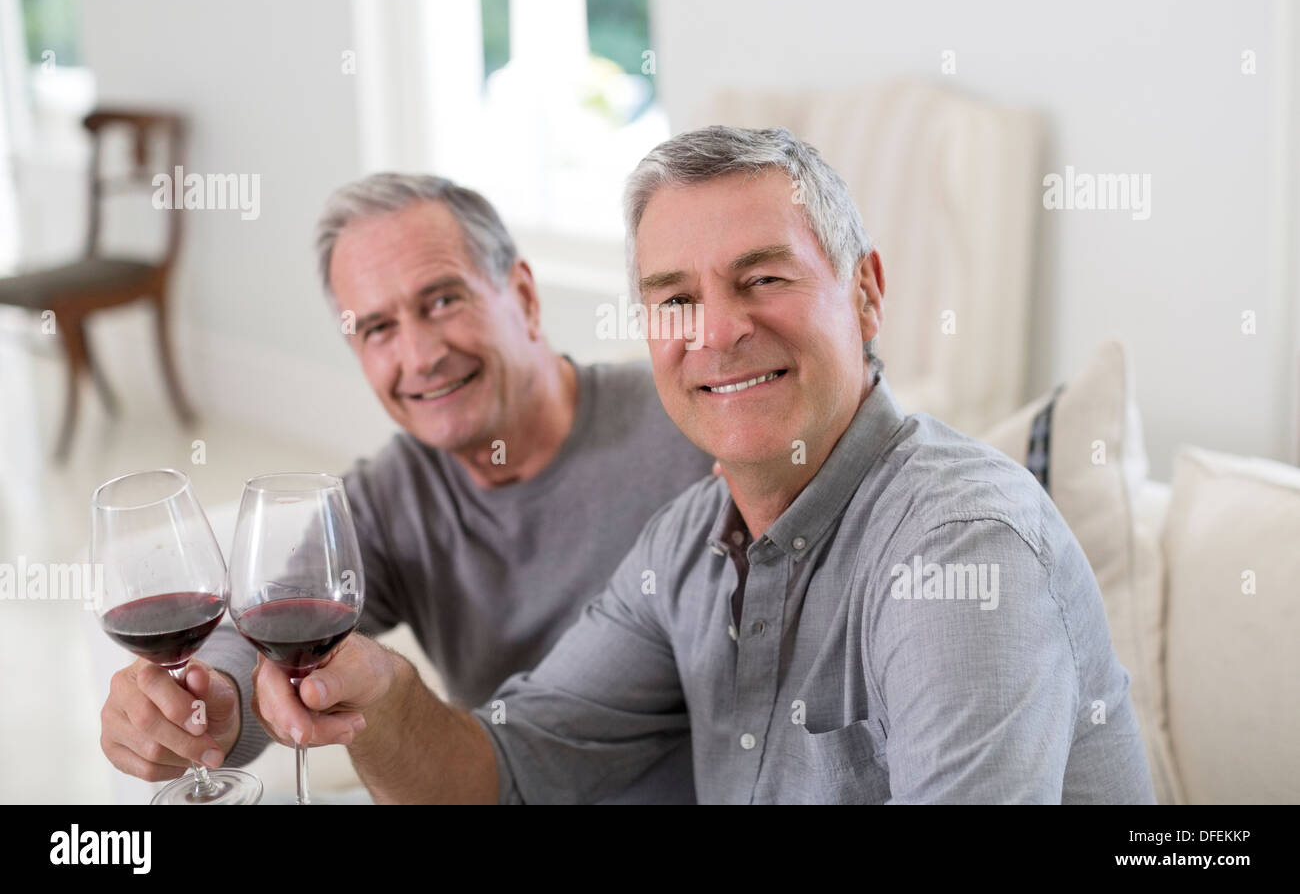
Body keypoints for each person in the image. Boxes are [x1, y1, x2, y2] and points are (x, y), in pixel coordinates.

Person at [250, 126, 1157, 804]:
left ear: (867, 293)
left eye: (763, 278)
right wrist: (384, 694)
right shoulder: (685, 546)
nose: (716, 331)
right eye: (675, 297)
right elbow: (506, 772)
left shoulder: (959, 552)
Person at [97, 174, 716, 803]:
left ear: (524, 297)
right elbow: (260, 629)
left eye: (443, 301)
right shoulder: (391, 496)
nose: (420, 356)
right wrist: (213, 701)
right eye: (377, 329)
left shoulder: (694, 424)